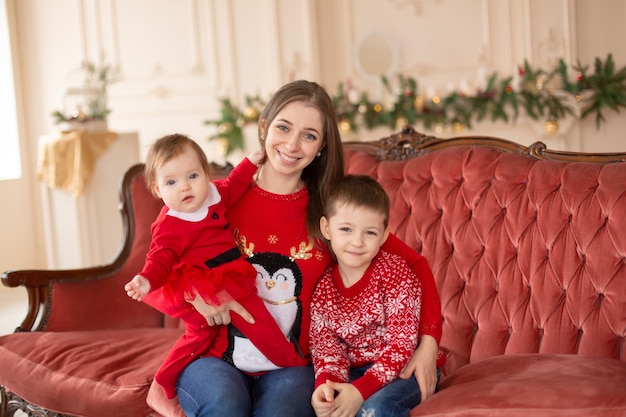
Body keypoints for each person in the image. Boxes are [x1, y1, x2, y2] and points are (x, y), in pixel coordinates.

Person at [175, 80, 444, 417]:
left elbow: (415, 265)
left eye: (309, 135)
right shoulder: (218, 198)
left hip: (292, 366)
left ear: (321, 146)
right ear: (264, 128)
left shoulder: (333, 211)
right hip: (214, 358)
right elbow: (162, 265)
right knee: (226, 404)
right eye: (283, 128)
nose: (292, 144)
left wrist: (429, 343)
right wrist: (194, 292)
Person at [124, 133, 306, 400]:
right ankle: (164, 379)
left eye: (193, 176)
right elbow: (159, 260)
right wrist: (146, 280)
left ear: (205, 173)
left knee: (259, 321)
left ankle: (290, 360)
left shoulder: (214, 195)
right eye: (171, 182)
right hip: (199, 282)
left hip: (232, 274)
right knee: (199, 335)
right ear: (156, 188)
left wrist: (250, 163)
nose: (185, 187)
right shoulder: (169, 225)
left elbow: (234, 185)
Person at [310, 174, 423, 417]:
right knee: (328, 407)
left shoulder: (395, 273)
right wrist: (327, 387)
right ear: (326, 228)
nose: (357, 242)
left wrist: (361, 391)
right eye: (346, 229)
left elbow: (402, 344)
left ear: (384, 236)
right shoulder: (324, 288)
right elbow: (326, 348)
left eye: (370, 233)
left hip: (404, 369)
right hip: (353, 372)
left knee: (374, 409)